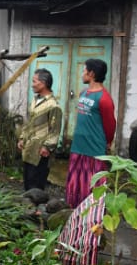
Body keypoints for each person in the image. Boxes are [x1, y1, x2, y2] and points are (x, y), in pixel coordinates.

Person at [65, 58, 117, 207]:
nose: (82, 73)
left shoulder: (104, 99)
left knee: (93, 181)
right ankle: (74, 209)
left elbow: (110, 125)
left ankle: (94, 212)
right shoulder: (83, 93)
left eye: (84, 70)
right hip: (78, 146)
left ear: (92, 74)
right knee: (76, 179)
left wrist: (108, 142)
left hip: (94, 149)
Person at [18, 69, 62, 191]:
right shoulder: (35, 100)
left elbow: (55, 129)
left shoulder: (53, 105)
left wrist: (47, 147)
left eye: (34, 81)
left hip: (40, 150)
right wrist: (22, 138)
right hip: (29, 146)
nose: (32, 84)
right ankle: (28, 204)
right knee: (28, 177)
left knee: (37, 179)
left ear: (43, 83)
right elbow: (28, 122)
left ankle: (37, 207)